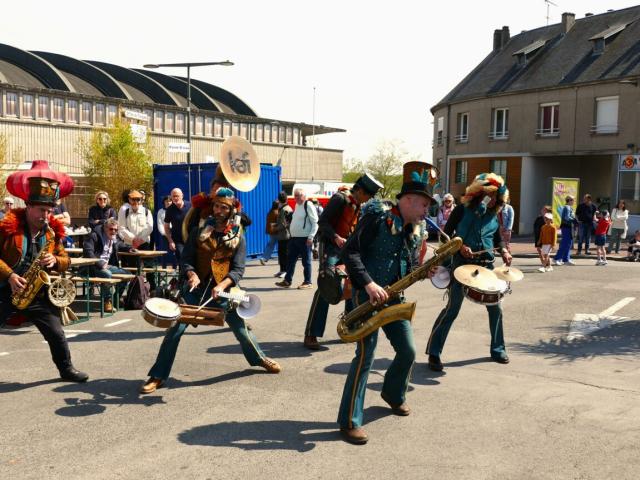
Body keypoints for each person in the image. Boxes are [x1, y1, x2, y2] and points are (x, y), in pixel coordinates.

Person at [139, 188, 281, 394]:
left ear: (231, 210)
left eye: (224, 207)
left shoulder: (238, 236)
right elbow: (186, 260)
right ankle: (158, 376)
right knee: (174, 331)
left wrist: (222, 285)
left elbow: (239, 269)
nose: (219, 210)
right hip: (194, 291)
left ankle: (259, 358)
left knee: (241, 330)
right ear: (212, 207)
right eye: (216, 206)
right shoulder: (198, 232)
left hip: (223, 292)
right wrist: (191, 275)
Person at [337, 161, 435, 445]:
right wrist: (368, 283)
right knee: (365, 358)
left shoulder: (414, 231)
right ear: (408, 201)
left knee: (408, 351)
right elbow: (350, 251)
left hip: (394, 298)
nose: (427, 212)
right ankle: (349, 421)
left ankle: (392, 394)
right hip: (364, 298)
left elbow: (405, 268)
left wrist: (423, 272)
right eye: (424, 206)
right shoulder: (377, 217)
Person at [0, 160, 88, 382]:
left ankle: (66, 369)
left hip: (34, 292)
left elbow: (67, 260)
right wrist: (9, 275)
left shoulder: (51, 233)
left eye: (49, 211)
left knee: (56, 333)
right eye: (41, 210)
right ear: (28, 207)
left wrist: (55, 260)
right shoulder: (8, 228)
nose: (46, 216)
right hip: (4, 287)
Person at [427, 173, 512, 373]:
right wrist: (461, 246)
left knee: (496, 309)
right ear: (478, 194)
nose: (492, 201)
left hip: (487, 267)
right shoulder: (461, 211)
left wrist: (505, 250)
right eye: (489, 196)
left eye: (496, 198)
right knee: (452, 309)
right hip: (461, 265)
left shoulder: (493, 215)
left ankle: (498, 349)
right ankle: (434, 352)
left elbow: (498, 239)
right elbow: (446, 236)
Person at [303, 174, 383, 350]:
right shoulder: (340, 199)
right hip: (331, 246)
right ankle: (311, 333)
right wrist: (336, 237)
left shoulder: (357, 204)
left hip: (347, 248)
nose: (369, 199)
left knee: (352, 284)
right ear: (360, 191)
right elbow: (322, 223)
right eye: (368, 195)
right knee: (327, 285)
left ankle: (349, 327)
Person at [82, 218, 133, 312]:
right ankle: (106, 302)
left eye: (115, 230)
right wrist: (100, 263)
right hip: (92, 267)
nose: (113, 232)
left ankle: (114, 300)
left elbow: (120, 244)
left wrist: (129, 249)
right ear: (105, 228)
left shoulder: (113, 237)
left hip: (107, 266)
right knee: (107, 274)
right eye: (111, 229)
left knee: (128, 274)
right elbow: (88, 252)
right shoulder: (94, 236)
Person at [275, 188, 318, 289]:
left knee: (306, 261)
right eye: (295, 196)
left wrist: (311, 237)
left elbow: (315, 223)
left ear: (304, 195)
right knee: (290, 260)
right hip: (294, 238)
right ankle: (287, 281)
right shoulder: (297, 205)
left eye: (298, 195)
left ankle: (308, 282)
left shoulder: (308, 205)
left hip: (304, 238)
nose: (296, 198)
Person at [163, 188, 191, 265]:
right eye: (173, 196)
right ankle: (183, 276)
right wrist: (170, 241)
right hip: (178, 240)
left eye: (177, 196)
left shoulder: (190, 206)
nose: (175, 198)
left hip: (190, 239)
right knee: (182, 258)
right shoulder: (169, 210)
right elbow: (166, 226)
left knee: (191, 261)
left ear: (182, 196)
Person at [272, 191, 293, 278]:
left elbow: (285, 224)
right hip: (282, 235)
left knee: (285, 254)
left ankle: (286, 271)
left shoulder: (286, 209)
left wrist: (275, 228)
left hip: (286, 235)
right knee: (281, 254)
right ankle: (282, 270)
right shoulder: (284, 208)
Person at [554, 195, 577, 266]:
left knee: (568, 244)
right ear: (569, 200)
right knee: (565, 243)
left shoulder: (569, 208)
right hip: (566, 227)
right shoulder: (567, 207)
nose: (573, 201)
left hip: (568, 227)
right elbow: (567, 218)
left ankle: (566, 259)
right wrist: (574, 220)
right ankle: (556, 258)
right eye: (572, 200)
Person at [156, 196, 175, 269]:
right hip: (164, 234)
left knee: (174, 251)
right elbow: (159, 224)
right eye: (166, 201)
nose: (168, 202)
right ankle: (164, 267)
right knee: (164, 252)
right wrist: (165, 234)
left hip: (174, 233)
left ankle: (175, 268)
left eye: (170, 201)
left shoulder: (174, 210)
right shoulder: (160, 211)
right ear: (164, 202)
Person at [259, 201, 280, 265]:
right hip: (277, 231)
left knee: (270, 245)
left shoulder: (270, 211)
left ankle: (264, 258)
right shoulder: (277, 212)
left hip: (271, 231)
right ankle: (281, 259)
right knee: (281, 246)